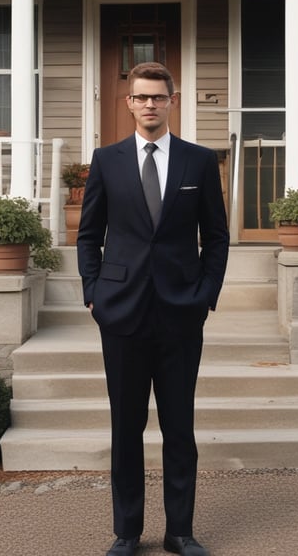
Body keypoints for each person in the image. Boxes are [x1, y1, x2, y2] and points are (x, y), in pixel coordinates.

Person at [76, 61, 230, 556]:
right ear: (129, 103)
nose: (149, 105)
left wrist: (206, 293)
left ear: (172, 101)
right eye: (141, 97)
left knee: (179, 426)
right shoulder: (106, 160)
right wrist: (93, 292)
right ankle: (127, 532)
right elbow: (87, 235)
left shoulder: (199, 162)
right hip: (120, 313)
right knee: (126, 426)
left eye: (157, 97)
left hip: (182, 312)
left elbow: (218, 237)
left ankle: (179, 532)